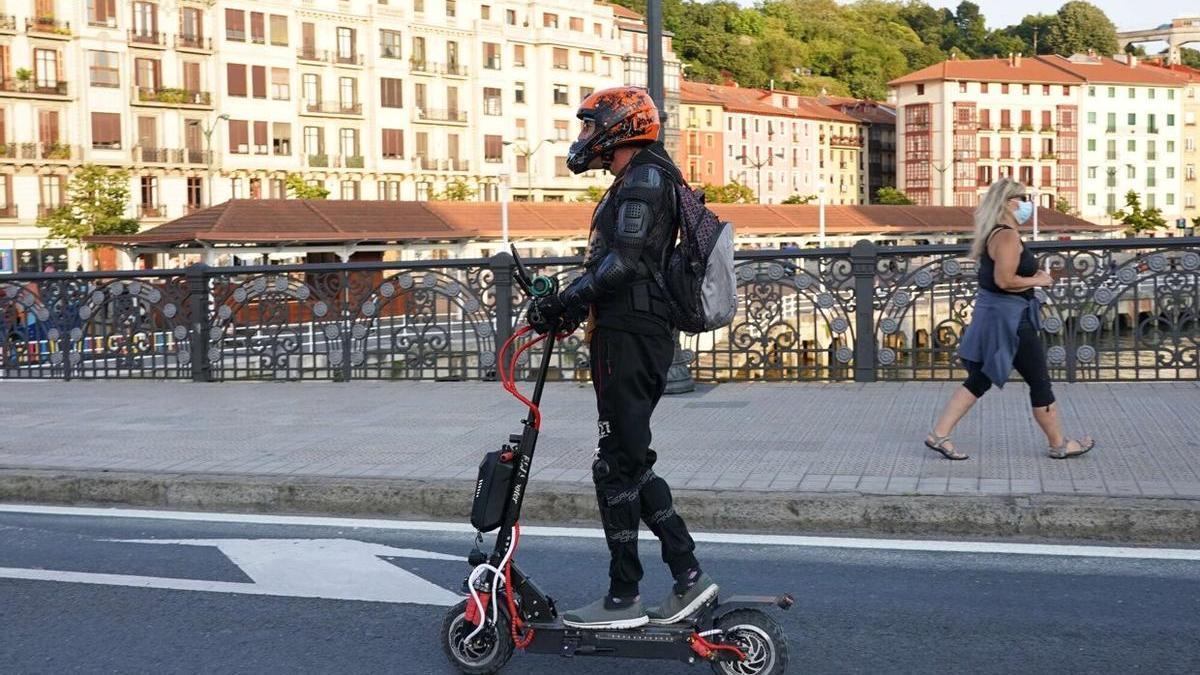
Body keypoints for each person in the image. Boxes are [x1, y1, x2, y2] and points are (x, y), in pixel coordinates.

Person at [528, 86, 716, 630]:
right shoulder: (643, 177)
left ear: (620, 128)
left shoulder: (644, 180)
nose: (585, 136)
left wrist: (565, 299)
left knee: (617, 464)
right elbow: (613, 264)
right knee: (628, 460)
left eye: (592, 126)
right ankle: (684, 576)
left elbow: (625, 263)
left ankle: (626, 595)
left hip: (633, 334)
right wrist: (569, 309)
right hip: (627, 331)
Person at [926, 177, 1095, 460]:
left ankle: (938, 435)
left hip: (998, 317)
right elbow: (1004, 280)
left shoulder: (995, 233)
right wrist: (1038, 280)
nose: (1028, 204)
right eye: (1024, 198)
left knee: (979, 379)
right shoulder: (1006, 236)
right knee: (1039, 382)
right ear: (1007, 203)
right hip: (1013, 321)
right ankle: (1059, 445)